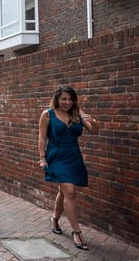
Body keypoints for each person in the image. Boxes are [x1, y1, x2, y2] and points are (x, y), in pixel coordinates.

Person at [38, 85, 98, 250]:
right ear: (57, 99)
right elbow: (42, 138)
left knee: (64, 191)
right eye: (64, 99)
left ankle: (54, 219)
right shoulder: (47, 114)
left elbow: (94, 131)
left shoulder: (77, 113)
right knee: (69, 192)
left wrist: (91, 119)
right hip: (56, 156)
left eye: (70, 99)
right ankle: (77, 232)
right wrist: (42, 158)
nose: (67, 102)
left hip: (73, 156)